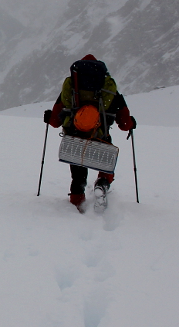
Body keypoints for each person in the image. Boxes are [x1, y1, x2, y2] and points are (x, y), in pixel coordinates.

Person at [43, 55, 135, 211]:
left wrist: (49, 117)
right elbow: (124, 123)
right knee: (106, 162)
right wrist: (131, 123)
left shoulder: (72, 87)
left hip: (74, 135)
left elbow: (55, 120)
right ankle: (102, 184)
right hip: (100, 136)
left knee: (78, 171)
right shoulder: (108, 89)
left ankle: (77, 200)